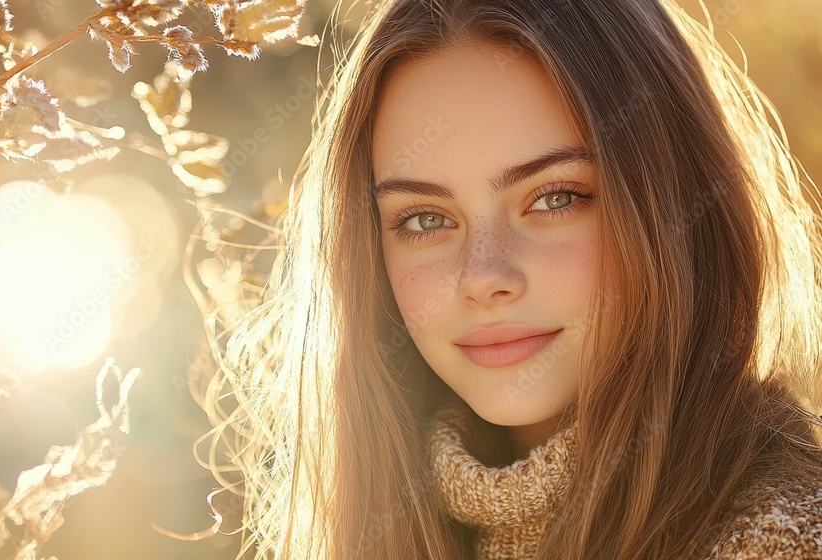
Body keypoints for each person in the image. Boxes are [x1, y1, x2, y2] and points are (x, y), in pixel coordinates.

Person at [193, 0, 822, 558]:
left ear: (674, 205)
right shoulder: (378, 522)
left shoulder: (782, 537)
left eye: (554, 199)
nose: (483, 276)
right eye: (426, 218)